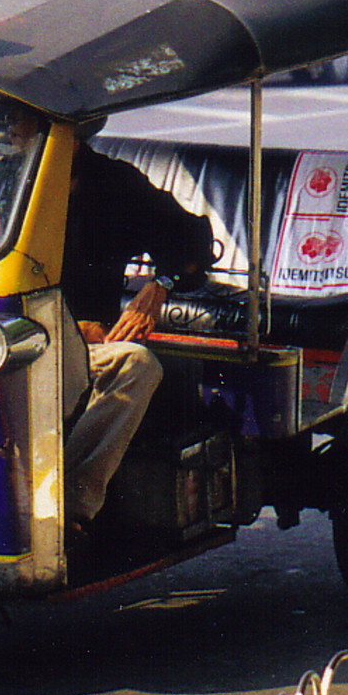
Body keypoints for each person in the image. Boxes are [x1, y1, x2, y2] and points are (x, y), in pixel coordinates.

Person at [60, 124, 214, 532]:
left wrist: (159, 286)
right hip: (0, 344)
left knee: (138, 364)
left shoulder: (113, 184)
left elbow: (191, 238)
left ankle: (69, 504)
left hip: (85, 351)